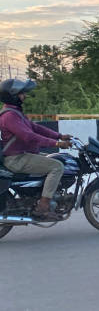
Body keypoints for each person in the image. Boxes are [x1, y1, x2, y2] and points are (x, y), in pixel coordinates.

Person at [0, 79, 72, 221]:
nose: (24, 96)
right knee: (57, 166)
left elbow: (36, 128)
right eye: (21, 94)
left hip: (22, 155)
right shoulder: (9, 116)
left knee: (58, 158)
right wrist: (56, 143)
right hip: (16, 159)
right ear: (13, 96)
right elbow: (29, 136)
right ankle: (43, 207)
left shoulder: (15, 113)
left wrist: (60, 136)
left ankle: (42, 197)